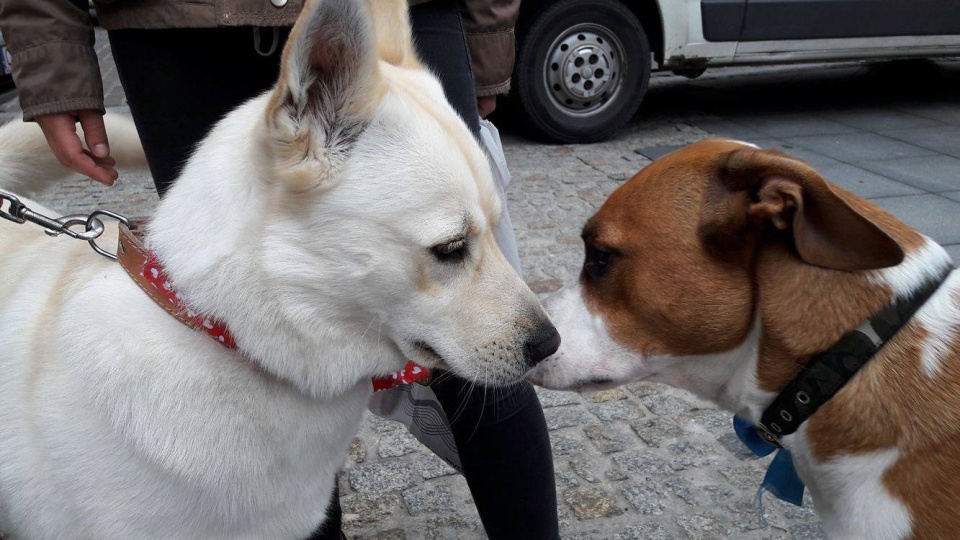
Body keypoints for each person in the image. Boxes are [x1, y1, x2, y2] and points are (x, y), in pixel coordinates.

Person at [0, 1, 561, 539]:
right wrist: (53, 66)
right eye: (450, 249)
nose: (538, 328)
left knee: (493, 404)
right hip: (179, 27)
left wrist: (488, 40)